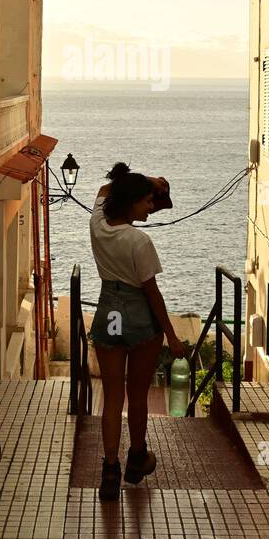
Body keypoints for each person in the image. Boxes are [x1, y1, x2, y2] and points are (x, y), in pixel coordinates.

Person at [88, 162, 187, 501]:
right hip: (139, 319)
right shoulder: (139, 241)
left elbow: (105, 191)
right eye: (146, 201)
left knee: (113, 397)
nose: (150, 207)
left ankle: (110, 470)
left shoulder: (98, 224)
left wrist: (145, 180)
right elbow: (152, 293)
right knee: (138, 395)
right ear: (131, 202)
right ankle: (137, 459)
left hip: (108, 312)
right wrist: (171, 336)